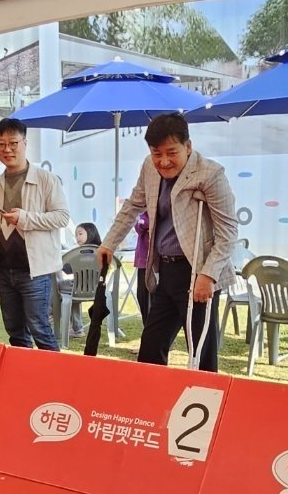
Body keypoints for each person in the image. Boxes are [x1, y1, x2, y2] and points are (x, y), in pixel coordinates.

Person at [97, 114, 236, 372]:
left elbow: (228, 231)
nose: (163, 161)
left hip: (198, 272)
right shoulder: (150, 168)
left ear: (188, 147)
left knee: (200, 351)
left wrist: (208, 275)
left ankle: (205, 405)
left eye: (172, 152)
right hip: (166, 271)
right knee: (151, 346)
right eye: (156, 153)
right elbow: (132, 206)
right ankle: (148, 405)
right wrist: (108, 243)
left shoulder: (211, 174)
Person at [0, 118, 70, 351]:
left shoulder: (45, 179)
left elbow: (62, 217)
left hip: (35, 271)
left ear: (25, 143)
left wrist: (26, 218)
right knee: (14, 330)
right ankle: (24, 377)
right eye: (1, 144)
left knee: (39, 327)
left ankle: (54, 378)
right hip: (5, 270)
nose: (7, 149)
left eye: (13, 143)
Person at [60, 221, 102, 338]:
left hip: (78, 288)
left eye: (80, 233)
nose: (77, 237)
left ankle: (51, 315)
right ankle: (77, 329)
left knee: (54, 286)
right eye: (76, 235)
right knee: (73, 292)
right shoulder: (101, 249)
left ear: (90, 233)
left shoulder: (78, 253)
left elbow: (67, 270)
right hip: (97, 288)